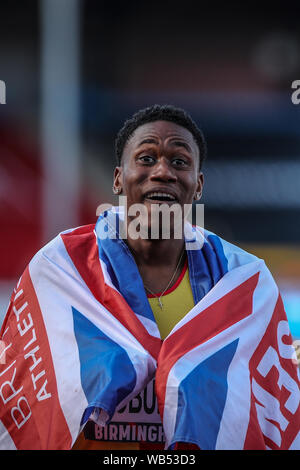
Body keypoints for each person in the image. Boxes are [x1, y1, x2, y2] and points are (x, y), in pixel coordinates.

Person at [0, 105, 299, 451]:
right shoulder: (60, 270)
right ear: (117, 178)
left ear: (197, 185)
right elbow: (25, 407)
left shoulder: (244, 283)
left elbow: (273, 420)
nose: (162, 171)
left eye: (180, 161)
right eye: (145, 158)